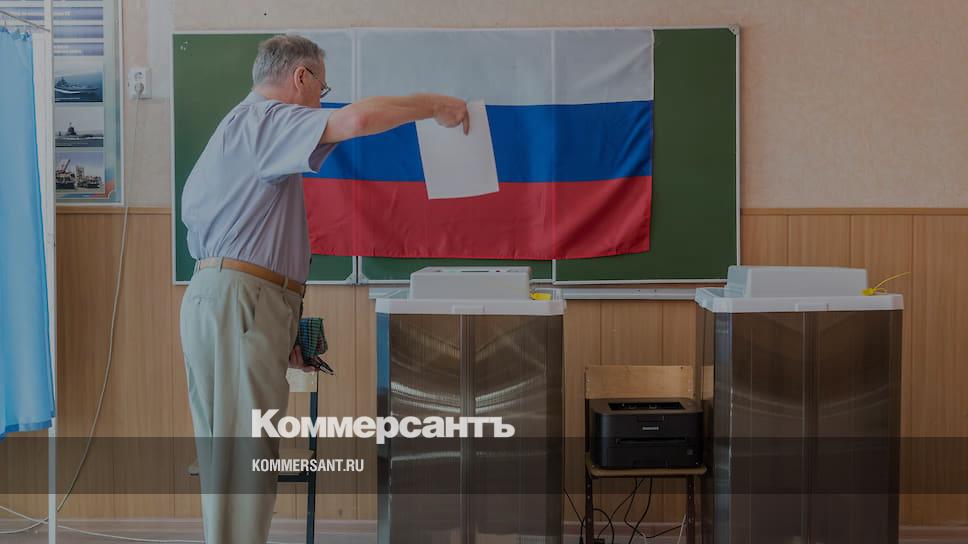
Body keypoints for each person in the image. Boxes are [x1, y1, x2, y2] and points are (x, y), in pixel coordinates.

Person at [179, 34, 468, 544]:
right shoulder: (268, 119)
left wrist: (282, 324)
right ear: (301, 77)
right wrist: (434, 105)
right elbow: (355, 121)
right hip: (242, 302)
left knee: (231, 459)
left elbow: (242, 244)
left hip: (227, 300)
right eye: (322, 89)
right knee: (247, 461)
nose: (320, 101)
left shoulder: (237, 129)